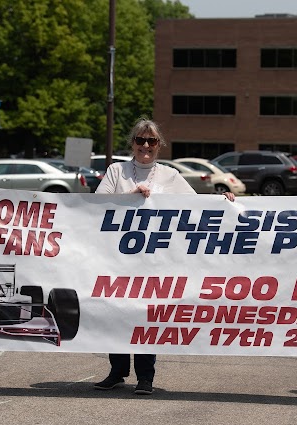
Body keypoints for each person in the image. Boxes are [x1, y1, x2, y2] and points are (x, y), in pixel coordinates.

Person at [93, 117, 234, 395]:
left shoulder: (170, 175)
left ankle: (146, 378)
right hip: (116, 262)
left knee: (147, 316)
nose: (146, 145)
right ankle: (117, 371)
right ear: (132, 143)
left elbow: (197, 207)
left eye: (152, 141)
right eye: (140, 140)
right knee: (114, 315)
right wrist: (131, 196)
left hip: (154, 263)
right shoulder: (116, 171)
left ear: (159, 145)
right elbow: (96, 206)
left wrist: (224, 200)